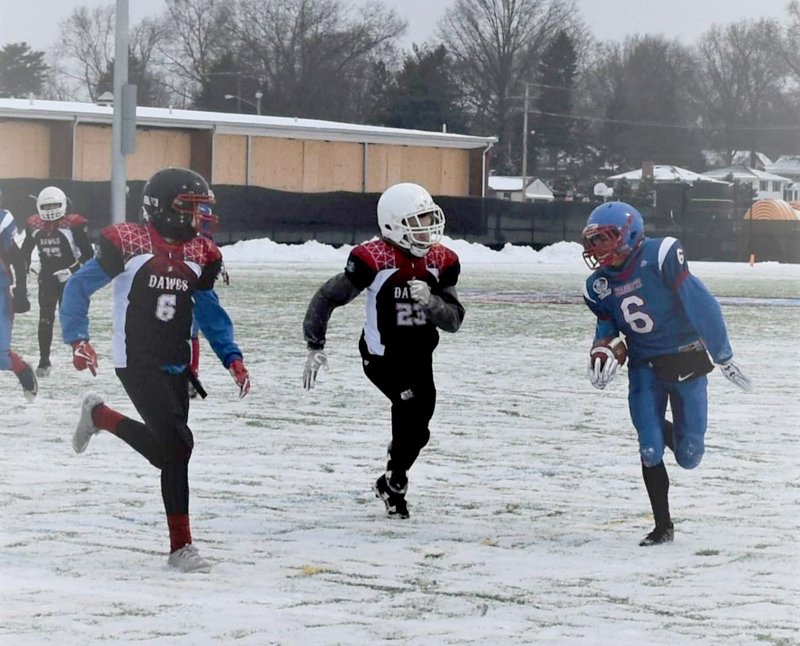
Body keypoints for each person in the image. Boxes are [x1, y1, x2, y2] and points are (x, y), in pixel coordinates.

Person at [60, 167, 251, 573]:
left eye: (202, 209)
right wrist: (78, 338)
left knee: (170, 452)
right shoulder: (129, 243)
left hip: (176, 360)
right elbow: (77, 287)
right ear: (162, 208)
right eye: (189, 208)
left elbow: (211, 311)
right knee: (178, 446)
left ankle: (100, 416)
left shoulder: (202, 254)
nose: (198, 217)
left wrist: (231, 356)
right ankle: (181, 548)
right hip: (137, 359)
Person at [580, 201, 752, 546]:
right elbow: (607, 327)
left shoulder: (660, 256)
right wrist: (601, 348)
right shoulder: (597, 284)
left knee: (690, 456)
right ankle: (663, 526)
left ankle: (664, 432)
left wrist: (723, 354)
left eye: (606, 237)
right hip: (645, 367)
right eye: (594, 240)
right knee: (649, 449)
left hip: (686, 360)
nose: (599, 247)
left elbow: (702, 303)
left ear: (630, 232)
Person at [302, 182, 465, 519]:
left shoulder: (441, 261)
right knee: (407, 405)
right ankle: (396, 488)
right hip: (382, 357)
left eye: (428, 219)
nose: (427, 229)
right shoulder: (373, 259)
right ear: (394, 225)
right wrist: (314, 343)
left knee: (419, 430)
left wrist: (432, 302)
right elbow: (328, 296)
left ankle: (392, 478)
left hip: (420, 356)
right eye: (417, 222)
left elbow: (453, 321)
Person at [19, 186, 94, 377]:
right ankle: (44, 361)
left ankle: (79, 355)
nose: (51, 209)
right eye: (47, 205)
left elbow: (89, 255)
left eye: (54, 204)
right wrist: (27, 269)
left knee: (70, 317)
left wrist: (72, 270)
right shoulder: (34, 225)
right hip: (47, 278)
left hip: (71, 279)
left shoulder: (73, 225)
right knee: (45, 319)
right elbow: (25, 251)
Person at [0, 188, 38, 400]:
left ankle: (22, 369)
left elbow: (16, 257)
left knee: (1, 356)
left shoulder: (3, 220)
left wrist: (21, 291)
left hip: (0, 292)